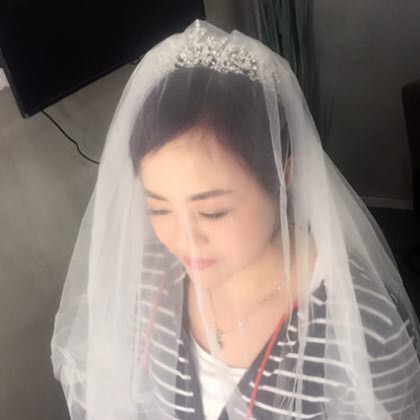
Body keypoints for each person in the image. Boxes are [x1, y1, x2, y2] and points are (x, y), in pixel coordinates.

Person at [51, 21, 420, 419]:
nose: (183, 240)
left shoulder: (364, 330)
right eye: (158, 208)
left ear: (283, 176)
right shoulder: (147, 281)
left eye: (212, 211)